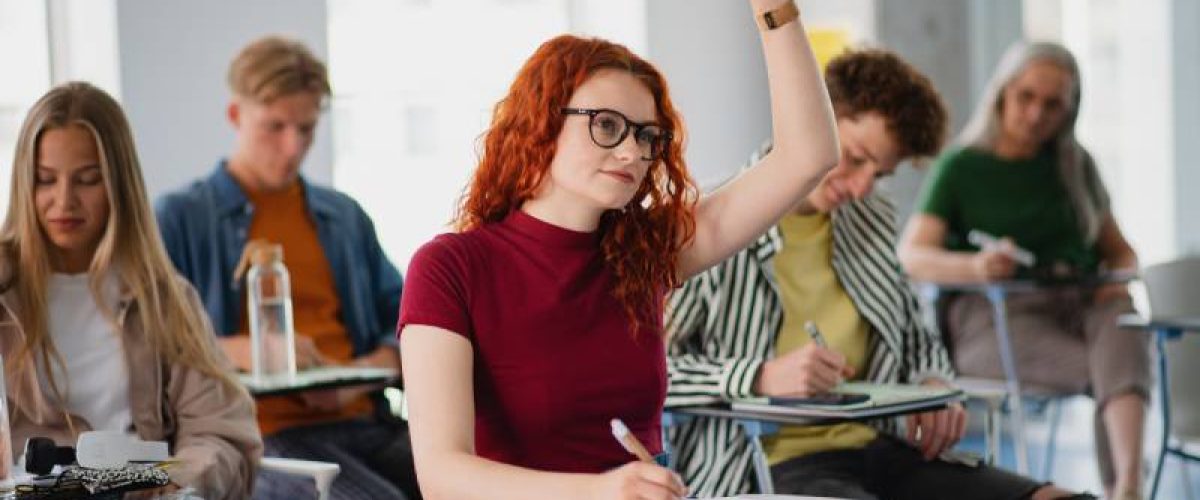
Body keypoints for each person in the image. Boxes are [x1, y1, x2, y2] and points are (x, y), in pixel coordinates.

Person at [397, 1, 841, 498]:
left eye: (646, 135)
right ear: (540, 124)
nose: (632, 152)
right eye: (606, 125)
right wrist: (599, 491)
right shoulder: (448, 267)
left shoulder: (643, 253)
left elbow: (809, 156)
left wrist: (775, 9)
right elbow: (440, 475)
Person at [665, 48, 1087, 500]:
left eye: (880, 173)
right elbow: (654, 371)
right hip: (770, 463)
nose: (865, 186)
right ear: (810, 126)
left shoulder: (870, 216)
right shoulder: (712, 221)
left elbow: (913, 332)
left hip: (885, 448)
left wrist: (934, 383)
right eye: (855, 157)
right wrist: (758, 377)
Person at [154, 36, 416, 499]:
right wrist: (253, 351)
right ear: (235, 115)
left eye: (307, 129)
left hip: (366, 420)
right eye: (274, 126)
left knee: (481, 478)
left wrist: (371, 366)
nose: (292, 146)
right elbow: (151, 341)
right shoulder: (181, 218)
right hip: (263, 434)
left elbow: (410, 320)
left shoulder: (344, 216)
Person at [897, 41, 1149, 500]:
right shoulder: (960, 167)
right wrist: (976, 266)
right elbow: (912, 256)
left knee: (1124, 321)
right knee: (1120, 368)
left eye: (1053, 105)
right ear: (1002, 94)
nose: (1037, 115)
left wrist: (1113, 285)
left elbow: (1122, 254)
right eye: (1027, 98)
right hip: (994, 321)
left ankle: (1129, 487)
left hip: (1078, 308)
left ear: (1070, 110)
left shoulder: (1076, 166)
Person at [0, 82, 260, 498]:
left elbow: (220, 433)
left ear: (119, 186)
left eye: (87, 180)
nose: (63, 201)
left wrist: (179, 486)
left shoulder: (164, 299)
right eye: (45, 179)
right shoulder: (4, 295)